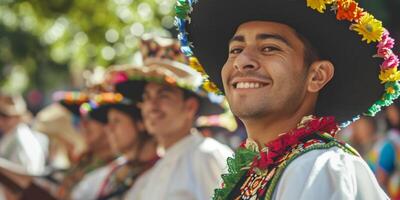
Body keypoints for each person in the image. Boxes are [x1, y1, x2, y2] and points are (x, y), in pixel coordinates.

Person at [174, 0, 398, 199]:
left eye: (269, 48)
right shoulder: (256, 174)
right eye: (235, 49)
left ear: (316, 76)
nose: (242, 61)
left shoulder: (319, 168)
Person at [117, 37, 233, 200]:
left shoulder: (207, 156)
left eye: (163, 95)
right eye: (147, 97)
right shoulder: (153, 172)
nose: (151, 106)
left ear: (190, 107)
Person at [70, 92, 158, 200]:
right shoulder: (106, 175)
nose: (109, 129)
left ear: (140, 123)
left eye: (116, 121)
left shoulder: (162, 170)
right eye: (108, 122)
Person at [0, 93, 48, 175]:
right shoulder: (15, 133)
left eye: (5, 116)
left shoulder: (22, 136)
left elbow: (28, 172)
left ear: (17, 117)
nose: (1, 119)